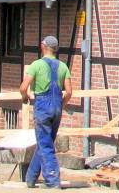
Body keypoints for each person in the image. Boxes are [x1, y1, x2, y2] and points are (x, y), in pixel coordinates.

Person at [19, 36, 72, 188]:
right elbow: (69, 92)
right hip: (57, 107)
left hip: (42, 106)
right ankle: (30, 178)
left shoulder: (36, 65)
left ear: (43, 46)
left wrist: (25, 97)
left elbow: (23, 87)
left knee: (45, 145)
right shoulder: (63, 66)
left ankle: (53, 180)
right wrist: (61, 104)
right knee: (45, 143)